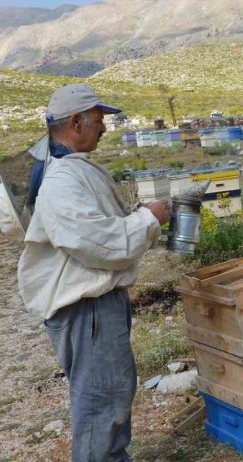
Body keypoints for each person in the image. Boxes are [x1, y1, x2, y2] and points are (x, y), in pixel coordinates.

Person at [17, 83, 171, 462]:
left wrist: (135, 215)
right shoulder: (61, 182)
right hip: (86, 311)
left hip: (94, 309)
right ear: (76, 122)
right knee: (102, 402)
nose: (104, 126)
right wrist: (149, 220)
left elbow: (94, 229)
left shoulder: (68, 169)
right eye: (99, 119)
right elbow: (100, 244)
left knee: (111, 395)